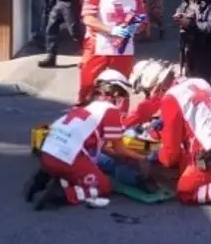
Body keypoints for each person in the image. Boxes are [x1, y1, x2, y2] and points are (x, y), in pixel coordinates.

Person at [128, 60, 211, 209]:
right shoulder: (196, 82)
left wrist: (150, 159)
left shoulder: (170, 100)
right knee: (186, 161)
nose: (148, 96)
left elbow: (169, 155)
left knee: (185, 190)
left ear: (156, 86)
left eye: (147, 92)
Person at [26, 70, 146, 210]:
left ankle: (46, 175)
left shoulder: (87, 107)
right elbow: (119, 149)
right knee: (103, 186)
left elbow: (101, 147)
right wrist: (140, 158)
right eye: (123, 94)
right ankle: (63, 194)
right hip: (67, 158)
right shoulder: (111, 111)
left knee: (83, 167)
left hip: (47, 152)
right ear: (115, 93)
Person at [78, 0, 146, 104]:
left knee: (120, 86)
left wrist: (133, 28)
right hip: (97, 46)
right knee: (88, 85)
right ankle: (83, 115)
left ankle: (118, 120)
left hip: (123, 48)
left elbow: (142, 20)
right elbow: (88, 18)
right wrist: (111, 29)